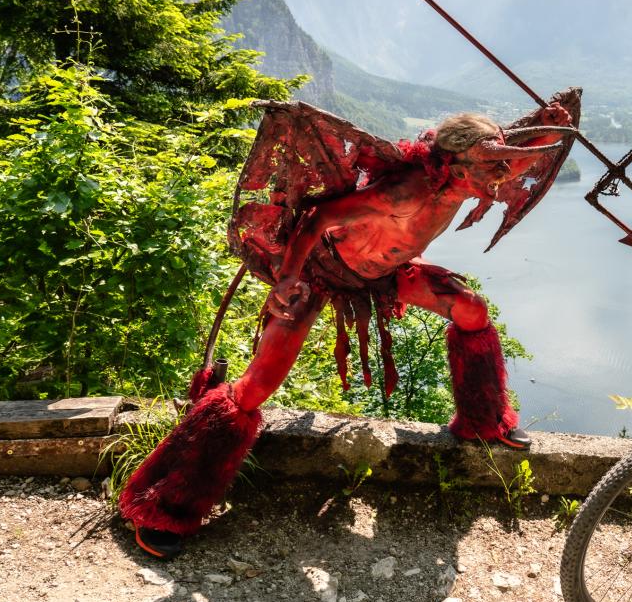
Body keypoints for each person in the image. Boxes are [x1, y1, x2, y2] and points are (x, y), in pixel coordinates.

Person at [120, 104, 575, 560]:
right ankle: (162, 506)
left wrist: (557, 122)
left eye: (501, 167)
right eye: (491, 168)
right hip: (322, 271)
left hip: (383, 273)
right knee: (255, 387)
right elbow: (317, 218)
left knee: (470, 310)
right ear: (454, 163)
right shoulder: (405, 193)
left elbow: (515, 153)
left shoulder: (464, 176)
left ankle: (483, 420)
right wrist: (288, 278)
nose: (500, 178)